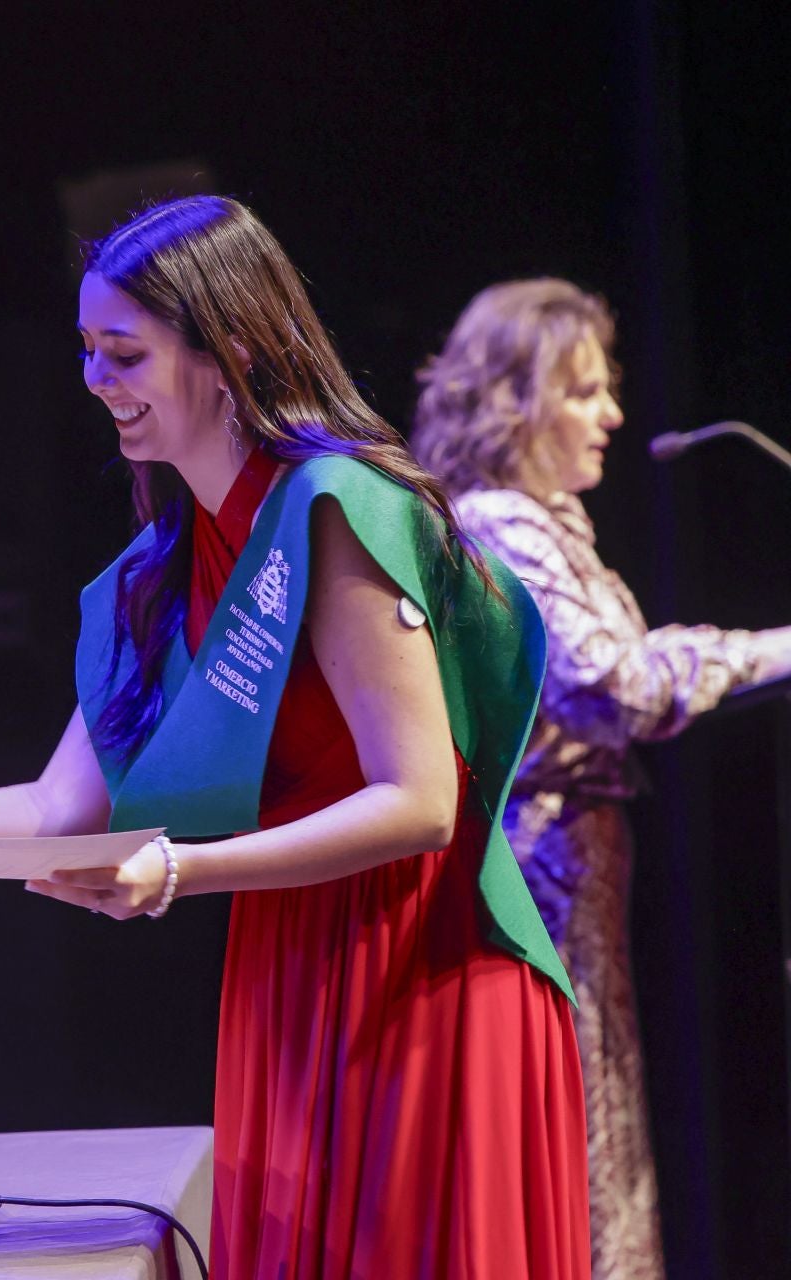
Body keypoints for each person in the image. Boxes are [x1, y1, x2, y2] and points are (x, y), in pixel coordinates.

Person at [0, 196, 591, 1277]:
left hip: (425, 978)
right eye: (88, 350)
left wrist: (180, 866)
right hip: (289, 969)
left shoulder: (337, 502)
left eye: (124, 353)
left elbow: (419, 802)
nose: (95, 381)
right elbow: (57, 810)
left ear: (226, 351)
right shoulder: (165, 561)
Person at [409, 279, 791, 1280]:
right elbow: (616, 688)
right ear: (512, 401)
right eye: (582, 391)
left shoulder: (544, 521)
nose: (612, 413)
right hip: (539, 877)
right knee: (573, 1136)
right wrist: (769, 652)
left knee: (597, 1126)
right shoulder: (504, 525)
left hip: (571, 870)